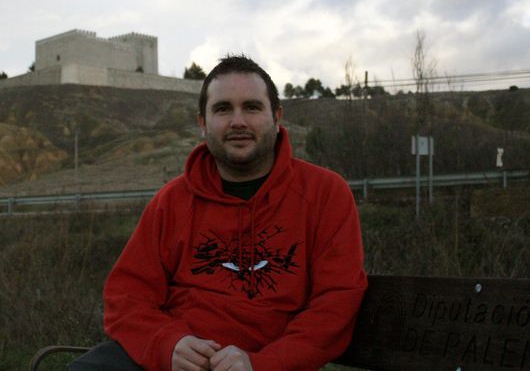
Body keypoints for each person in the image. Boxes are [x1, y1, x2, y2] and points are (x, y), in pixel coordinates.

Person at [70, 55, 367, 371]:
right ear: (202, 122)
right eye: (223, 109)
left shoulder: (324, 194)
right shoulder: (172, 201)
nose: (238, 121)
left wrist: (261, 364)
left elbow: (336, 303)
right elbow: (127, 295)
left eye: (252, 107)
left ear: (277, 117)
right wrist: (167, 344)